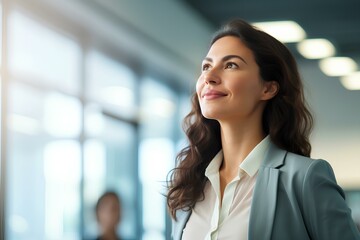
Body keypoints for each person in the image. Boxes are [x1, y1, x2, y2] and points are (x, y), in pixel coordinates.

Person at [166, 19, 360, 240]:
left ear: (268, 88)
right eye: (206, 66)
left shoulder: (304, 179)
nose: (209, 77)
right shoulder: (189, 186)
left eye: (231, 65)